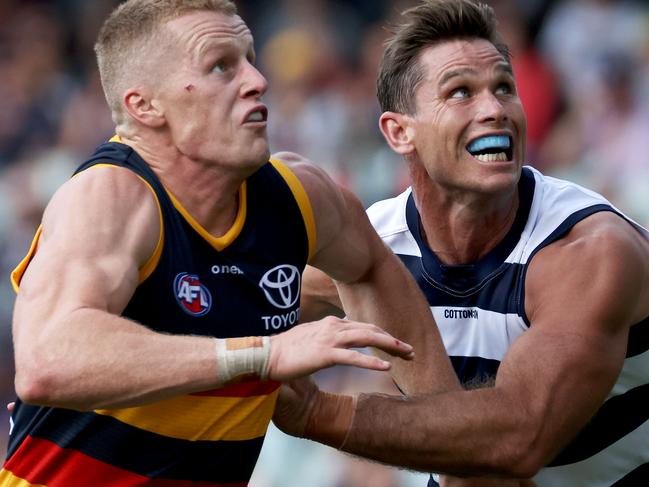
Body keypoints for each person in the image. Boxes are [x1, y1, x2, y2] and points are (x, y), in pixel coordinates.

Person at [0, 1, 459, 485]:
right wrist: (263, 354)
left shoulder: (300, 197)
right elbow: (45, 363)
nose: (257, 80)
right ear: (145, 105)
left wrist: (456, 450)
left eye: (249, 57)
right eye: (221, 65)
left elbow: (373, 272)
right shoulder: (111, 195)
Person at [275, 1, 649, 486]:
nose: (494, 109)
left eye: (504, 88)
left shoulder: (589, 250)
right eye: (461, 93)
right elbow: (226, 317)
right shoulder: (373, 247)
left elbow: (518, 439)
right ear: (399, 132)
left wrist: (317, 414)